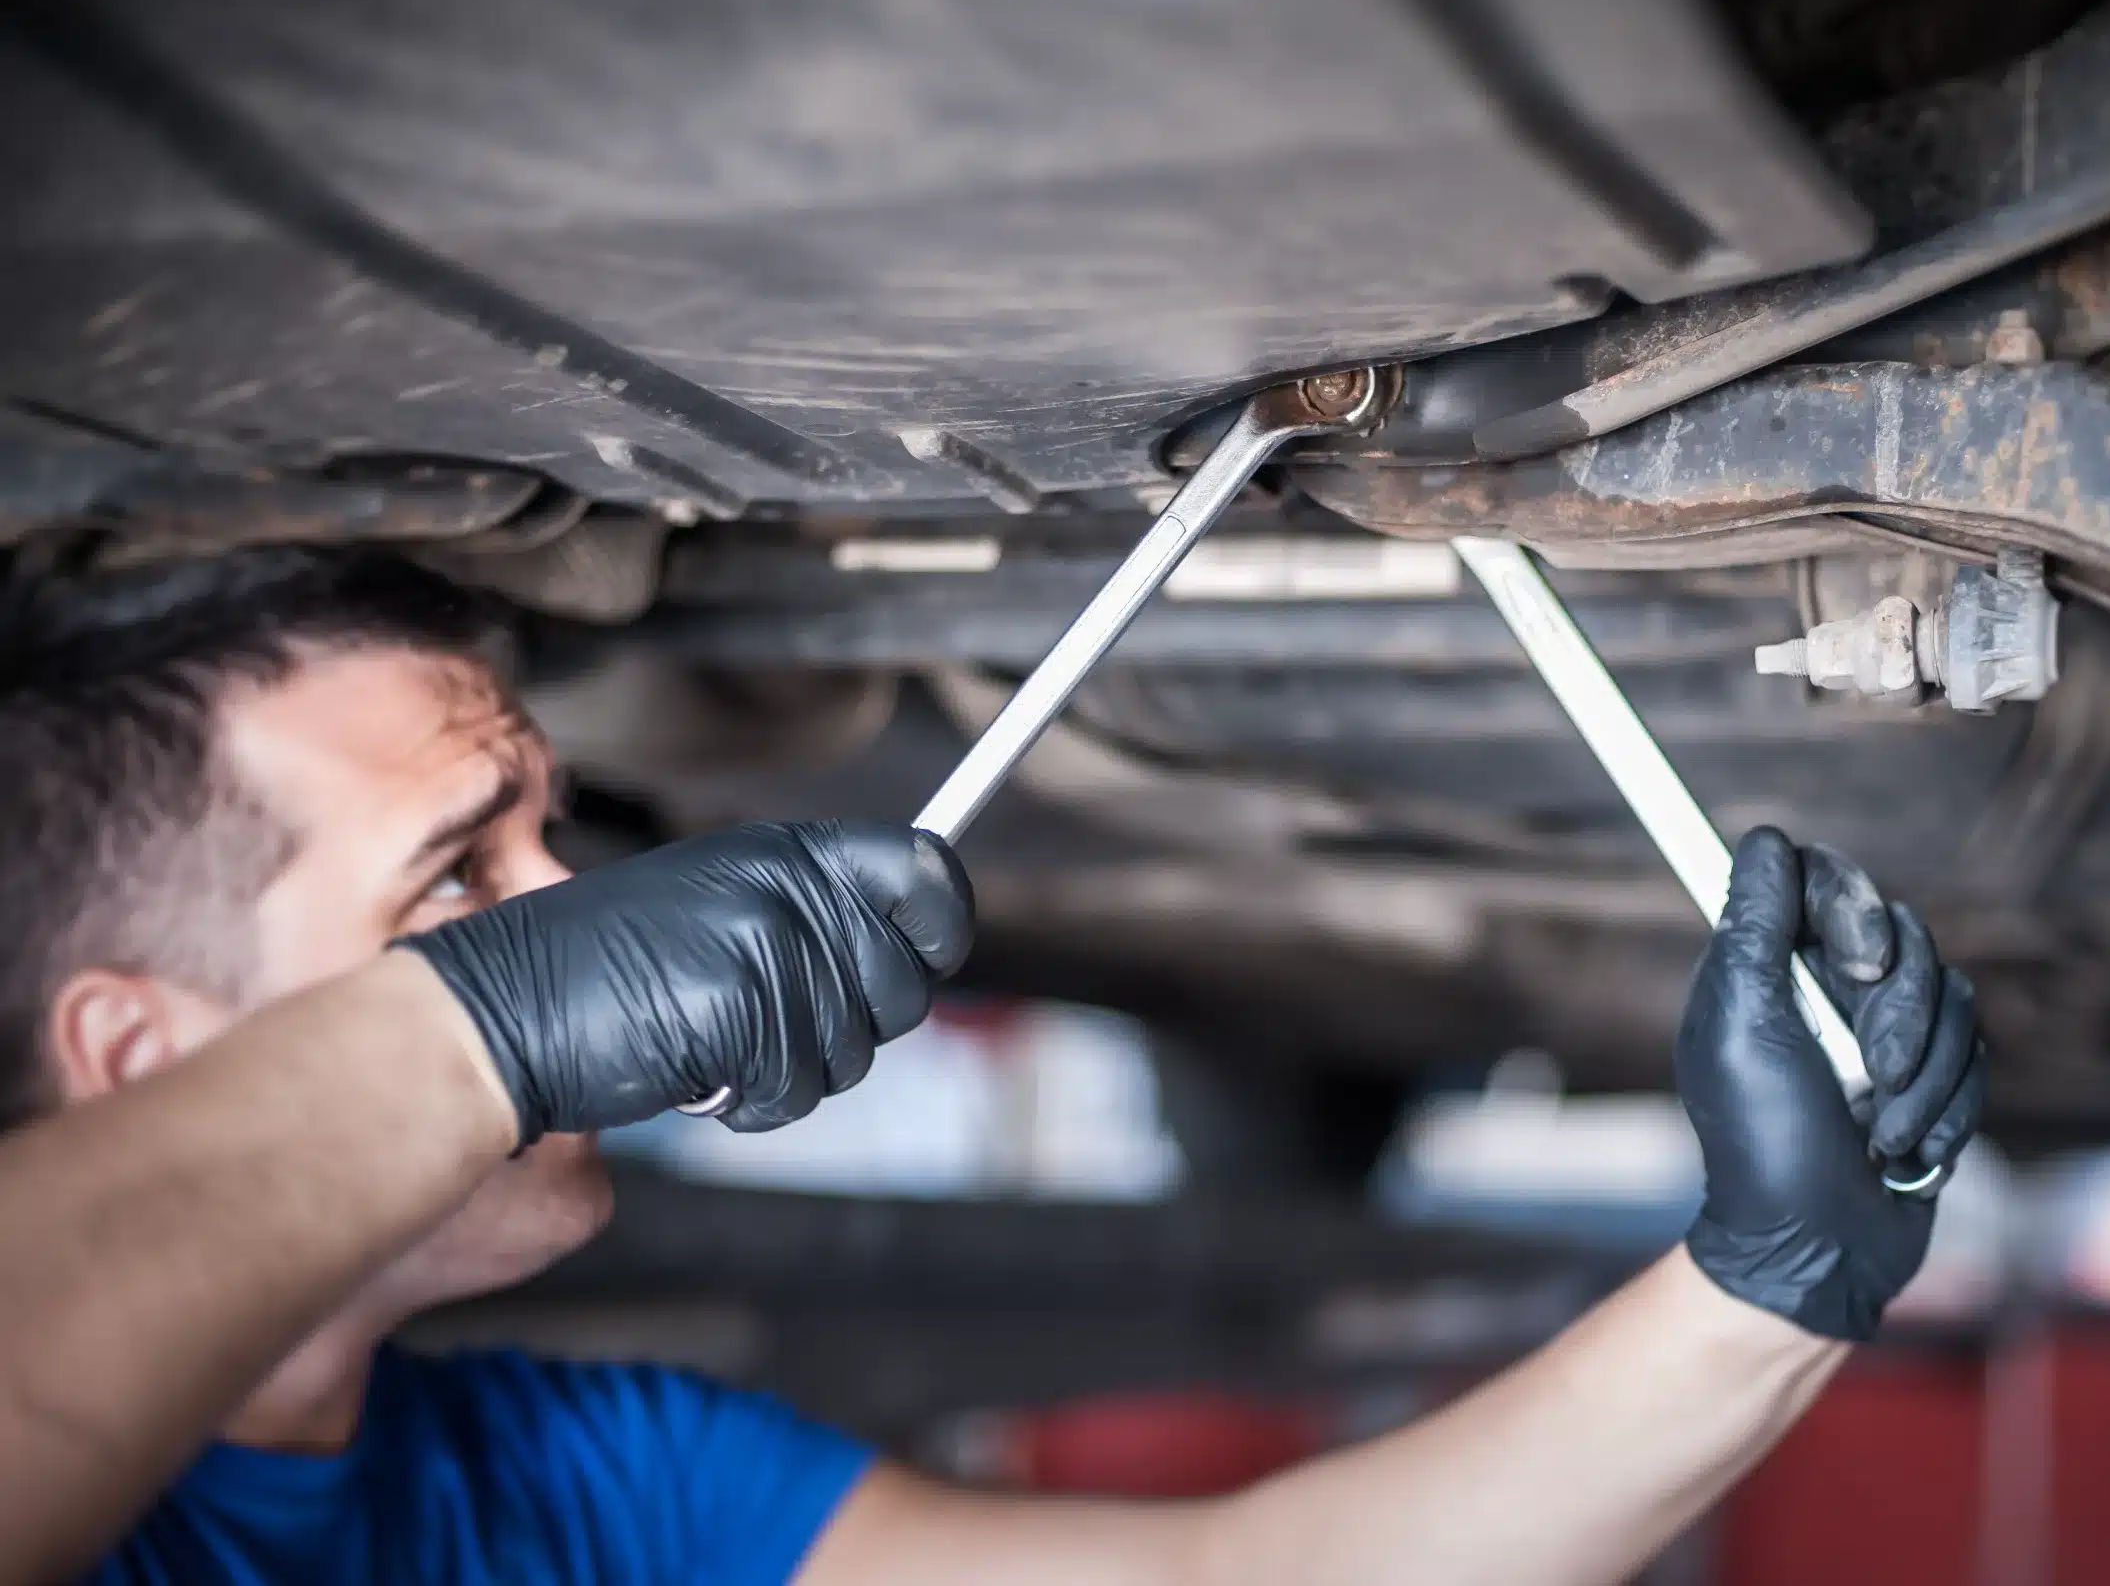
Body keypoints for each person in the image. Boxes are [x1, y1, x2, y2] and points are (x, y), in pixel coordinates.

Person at [0, 548, 1983, 1586]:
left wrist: (1763, 1287)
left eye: (546, 842)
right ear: (138, 1052)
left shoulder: (566, 1482)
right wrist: (487, 1031)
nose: (566, 912)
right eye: (463, 879)